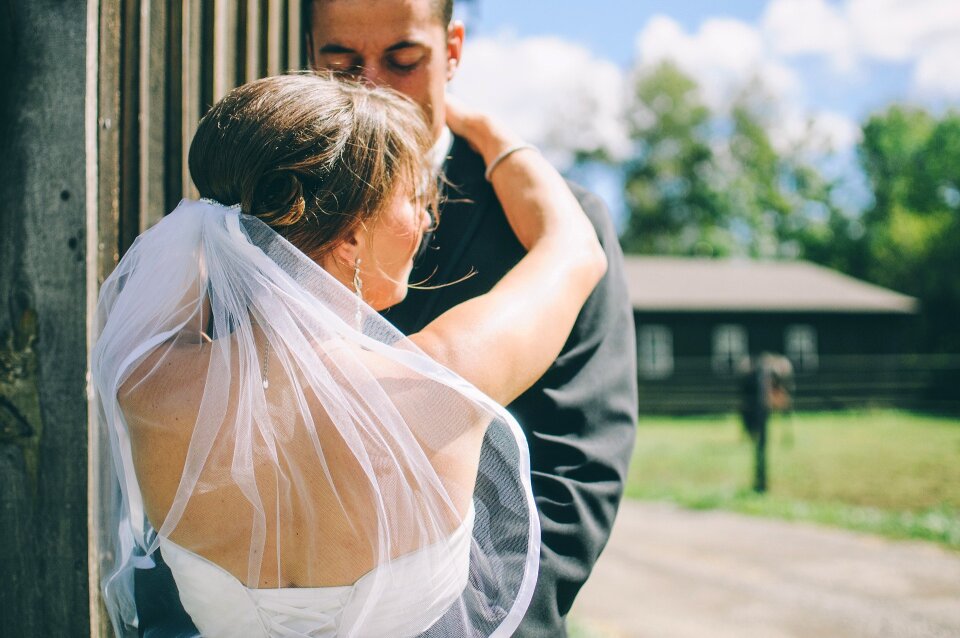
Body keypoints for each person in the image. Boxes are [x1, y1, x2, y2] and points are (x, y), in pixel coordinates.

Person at [94, 73, 605, 637]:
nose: (427, 219)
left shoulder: (147, 384)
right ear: (352, 237)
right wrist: (483, 129)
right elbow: (575, 249)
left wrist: (222, 220)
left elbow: (187, 267)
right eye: (414, 198)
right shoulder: (440, 381)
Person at [306, 1, 638, 636]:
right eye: (343, 64)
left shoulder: (555, 223)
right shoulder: (270, 215)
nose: (373, 86)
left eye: (404, 60)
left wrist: (477, 621)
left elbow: (576, 468)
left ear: (452, 50)